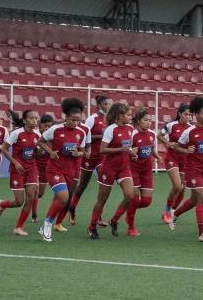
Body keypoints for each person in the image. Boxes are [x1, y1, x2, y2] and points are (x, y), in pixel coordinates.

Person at [37, 98, 87, 242]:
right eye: (72, 120)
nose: (75, 123)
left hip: (70, 170)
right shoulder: (55, 129)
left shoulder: (81, 133)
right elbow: (40, 142)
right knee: (64, 197)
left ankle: (45, 225)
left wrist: (78, 153)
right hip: (54, 169)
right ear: (66, 117)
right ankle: (47, 224)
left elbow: (83, 151)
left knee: (64, 199)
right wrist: (50, 151)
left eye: (78, 120)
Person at [87, 102, 136, 239]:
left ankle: (114, 220)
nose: (130, 117)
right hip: (108, 168)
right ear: (120, 116)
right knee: (102, 199)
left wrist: (132, 152)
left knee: (130, 196)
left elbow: (127, 147)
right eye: (128, 115)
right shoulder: (110, 129)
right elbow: (103, 150)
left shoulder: (130, 129)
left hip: (124, 168)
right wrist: (120, 149)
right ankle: (91, 227)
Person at [171, 97, 203, 242]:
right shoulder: (189, 131)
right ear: (196, 114)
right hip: (193, 169)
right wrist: (186, 151)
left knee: (193, 200)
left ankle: (175, 214)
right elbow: (176, 146)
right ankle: (202, 233)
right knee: (202, 199)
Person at [0, 110, 41, 236]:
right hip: (17, 170)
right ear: (25, 120)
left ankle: (18, 227)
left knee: (31, 197)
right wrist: (15, 163)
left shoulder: (37, 134)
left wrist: (38, 151)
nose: (35, 121)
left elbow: (36, 151)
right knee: (19, 201)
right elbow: (4, 149)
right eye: (31, 118)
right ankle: (2, 204)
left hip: (31, 168)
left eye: (36, 118)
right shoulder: (16, 133)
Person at [69, 95, 112, 226]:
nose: (108, 106)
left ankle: (98, 216)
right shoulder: (92, 119)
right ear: (99, 106)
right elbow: (84, 135)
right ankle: (71, 209)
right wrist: (101, 136)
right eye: (106, 104)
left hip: (102, 157)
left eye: (110, 104)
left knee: (104, 186)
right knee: (82, 185)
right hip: (89, 156)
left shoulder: (110, 120)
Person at [126, 108, 160, 236]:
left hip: (147, 171)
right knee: (134, 200)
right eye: (145, 120)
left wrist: (157, 156)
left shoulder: (152, 134)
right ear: (138, 121)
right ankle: (131, 227)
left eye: (150, 120)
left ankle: (128, 209)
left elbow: (152, 149)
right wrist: (131, 153)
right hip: (133, 170)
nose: (148, 122)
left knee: (146, 202)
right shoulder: (132, 134)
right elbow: (127, 150)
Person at [157, 104, 191, 225]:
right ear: (180, 113)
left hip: (185, 160)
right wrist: (167, 143)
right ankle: (167, 211)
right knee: (177, 186)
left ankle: (171, 212)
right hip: (172, 158)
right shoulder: (171, 125)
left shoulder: (191, 128)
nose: (188, 117)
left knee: (182, 191)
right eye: (186, 114)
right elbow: (159, 135)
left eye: (190, 115)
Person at [31, 114, 54, 223]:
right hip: (34, 167)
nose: (48, 129)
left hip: (45, 169)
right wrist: (36, 152)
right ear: (40, 126)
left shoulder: (53, 139)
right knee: (35, 192)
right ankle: (34, 215)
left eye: (50, 126)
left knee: (40, 194)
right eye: (46, 126)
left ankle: (30, 200)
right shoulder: (35, 136)